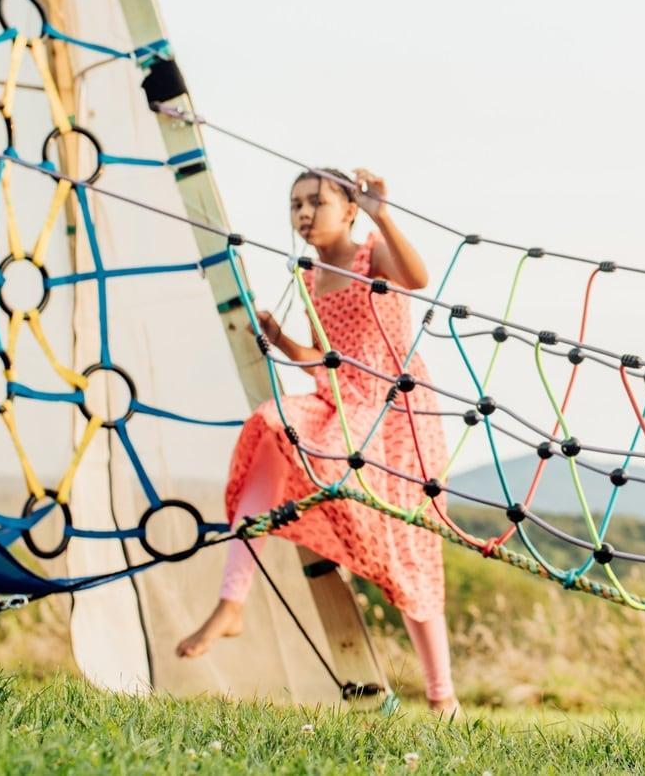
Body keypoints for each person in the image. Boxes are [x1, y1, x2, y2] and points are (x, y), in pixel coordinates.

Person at [176, 167, 457, 715]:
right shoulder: (308, 276)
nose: (304, 214)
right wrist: (280, 339)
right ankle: (232, 601)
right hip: (339, 403)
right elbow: (321, 357)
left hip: (393, 413)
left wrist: (381, 212)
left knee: (409, 547)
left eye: (317, 202)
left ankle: (441, 694)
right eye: (295, 205)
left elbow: (418, 279)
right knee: (270, 426)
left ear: (347, 210)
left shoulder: (370, 253)